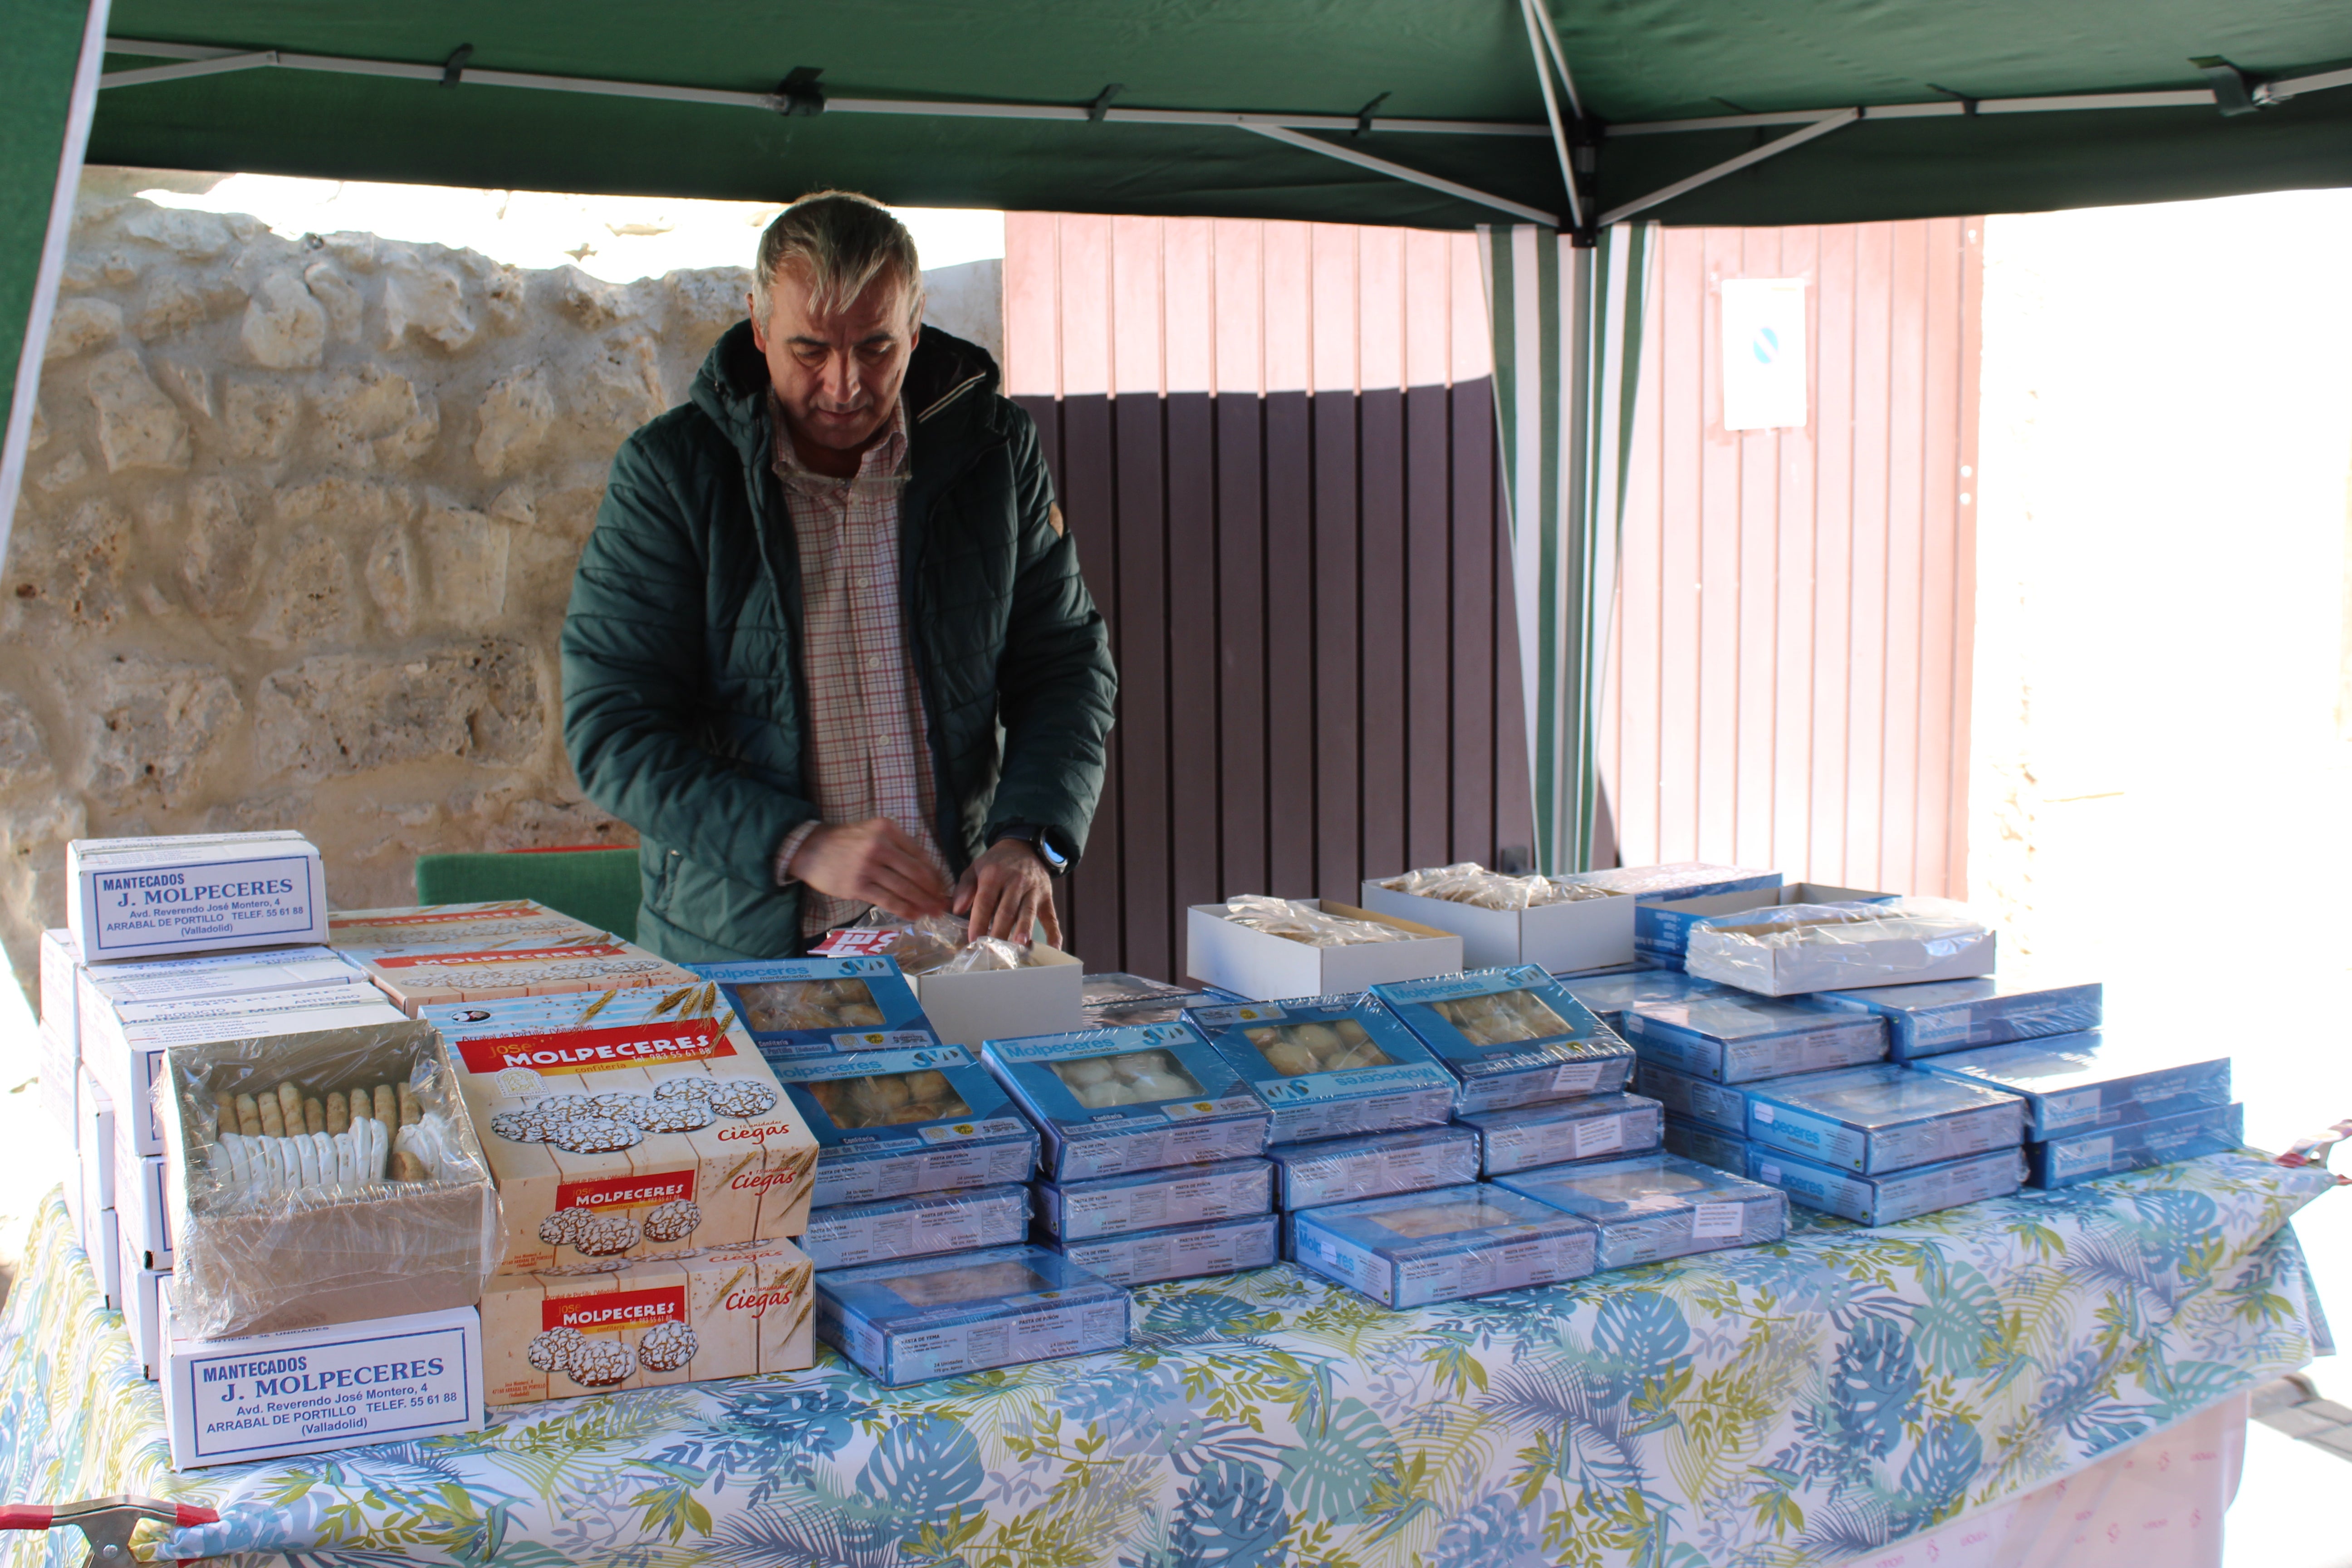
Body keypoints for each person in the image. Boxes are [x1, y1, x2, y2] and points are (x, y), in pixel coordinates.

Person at [561, 191, 1116, 960]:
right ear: (758, 326)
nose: (845, 385)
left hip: (952, 939)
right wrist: (800, 842)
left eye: (878, 348)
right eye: (811, 350)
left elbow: (1065, 665)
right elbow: (612, 731)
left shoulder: (993, 451)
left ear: (916, 326)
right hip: (745, 950)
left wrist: (1031, 838)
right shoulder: (673, 475)